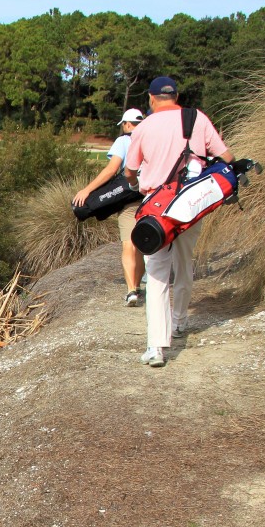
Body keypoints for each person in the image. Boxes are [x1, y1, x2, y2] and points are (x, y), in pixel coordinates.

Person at [124, 76, 234, 368]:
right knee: (185, 264)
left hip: (157, 209)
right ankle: (179, 322)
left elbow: (130, 171)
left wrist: (138, 179)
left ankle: (156, 347)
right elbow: (227, 156)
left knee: (158, 274)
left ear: (151, 98)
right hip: (190, 204)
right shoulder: (197, 118)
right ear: (176, 95)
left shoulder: (144, 127)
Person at [72, 108, 146, 306]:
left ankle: (131, 290)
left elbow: (112, 169)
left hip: (131, 197)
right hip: (154, 196)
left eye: (123, 124)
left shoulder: (124, 141)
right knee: (141, 244)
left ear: (127, 124)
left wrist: (87, 190)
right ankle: (138, 286)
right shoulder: (154, 138)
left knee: (129, 243)